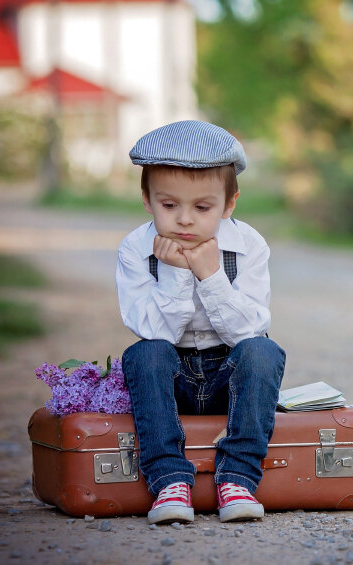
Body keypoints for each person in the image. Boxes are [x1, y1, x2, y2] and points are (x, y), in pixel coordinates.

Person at [116, 120, 285, 524]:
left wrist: (211, 277)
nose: (185, 220)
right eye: (169, 205)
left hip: (230, 377)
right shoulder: (135, 250)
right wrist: (175, 273)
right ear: (147, 199)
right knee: (145, 353)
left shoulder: (248, 247)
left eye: (202, 207)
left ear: (229, 205)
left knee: (264, 350)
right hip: (172, 381)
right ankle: (170, 481)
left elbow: (248, 330)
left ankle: (238, 479)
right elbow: (155, 331)